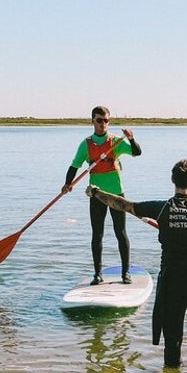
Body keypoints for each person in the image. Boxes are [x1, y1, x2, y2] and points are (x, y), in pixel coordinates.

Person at [85, 159, 187, 367]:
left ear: (172, 179)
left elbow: (123, 205)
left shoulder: (162, 209)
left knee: (172, 339)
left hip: (172, 280)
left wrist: (97, 193)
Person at [61, 106, 142, 285]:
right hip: (96, 194)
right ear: (92, 121)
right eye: (99, 120)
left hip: (116, 194)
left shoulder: (115, 141)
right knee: (97, 234)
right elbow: (74, 166)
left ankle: (125, 273)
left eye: (106, 120)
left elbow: (137, 152)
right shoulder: (86, 144)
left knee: (120, 233)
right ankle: (97, 274)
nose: (103, 124)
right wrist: (67, 184)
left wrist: (131, 138)